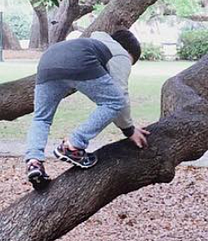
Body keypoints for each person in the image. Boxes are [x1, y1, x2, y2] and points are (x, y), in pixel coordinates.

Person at [24, 28, 149, 190]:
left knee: (41, 118)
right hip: (79, 60)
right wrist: (129, 130)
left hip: (48, 59)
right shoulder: (121, 54)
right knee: (115, 102)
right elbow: (120, 95)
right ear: (128, 52)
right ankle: (73, 145)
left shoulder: (94, 42)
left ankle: (34, 163)